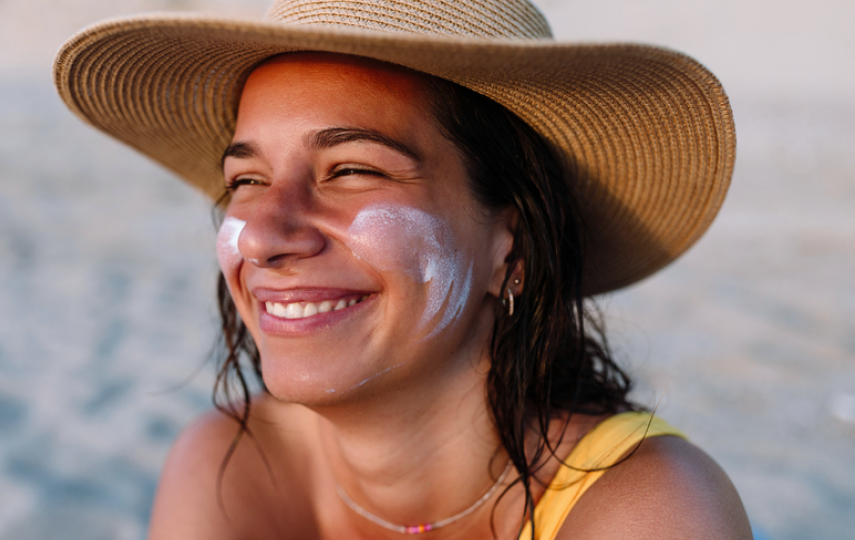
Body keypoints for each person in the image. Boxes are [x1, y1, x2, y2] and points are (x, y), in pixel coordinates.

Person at [54, 1, 752, 538]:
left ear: (512, 247)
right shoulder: (228, 466)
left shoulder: (649, 508)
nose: (265, 234)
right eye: (247, 180)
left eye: (352, 169)